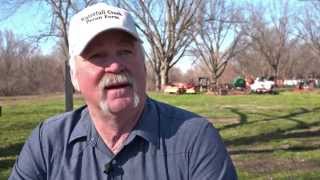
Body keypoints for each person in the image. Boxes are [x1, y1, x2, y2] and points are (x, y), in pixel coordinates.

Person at [9, 3, 237, 180]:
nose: (116, 66)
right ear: (74, 77)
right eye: (97, 56)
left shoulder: (195, 140)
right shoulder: (47, 143)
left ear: (144, 63)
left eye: (126, 51)